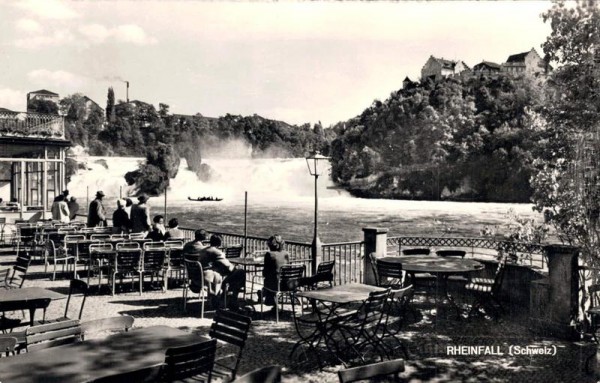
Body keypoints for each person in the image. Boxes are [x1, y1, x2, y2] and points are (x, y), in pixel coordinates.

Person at [197, 235, 246, 310]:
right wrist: (235, 270)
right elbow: (228, 266)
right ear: (219, 243)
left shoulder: (203, 250)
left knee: (232, 275)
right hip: (209, 277)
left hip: (199, 276)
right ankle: (232, 298)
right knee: (241, 273)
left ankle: (226, 296)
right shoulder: (217, 252)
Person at [262, 235, 290, 306]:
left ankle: (264, 295)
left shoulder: (269, 254)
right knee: (272, 278)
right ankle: (265, 295)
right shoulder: (286, 254)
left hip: (276, 285)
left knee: (268, 280)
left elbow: (265, 272)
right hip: (287, 283)